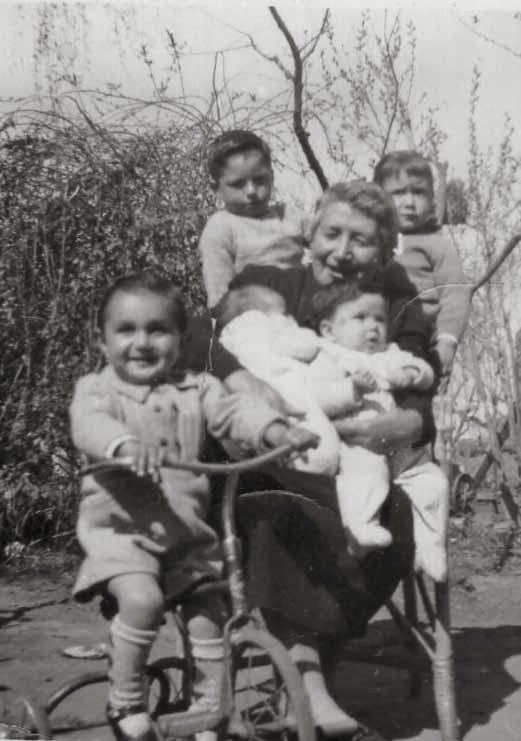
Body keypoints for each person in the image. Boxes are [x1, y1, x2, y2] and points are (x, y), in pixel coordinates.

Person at [185, 180, 438, 738]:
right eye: (332, 234)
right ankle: (308, 680)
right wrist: (245, 381)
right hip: (266, 451)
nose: (342, 251)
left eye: (361, 241)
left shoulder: (392, 305)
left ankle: (305, 672)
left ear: (384, 251)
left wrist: (411, 423)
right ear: (311, 231)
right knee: (283, 505)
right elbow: (203, 335)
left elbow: (418, 377)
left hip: (356, 453)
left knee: (383, 515)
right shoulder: (270, 280)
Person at [69, 270, 313, 741]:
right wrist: (123, 445)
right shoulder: (97, 390)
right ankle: (125, 701)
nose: (142, 342)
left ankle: (207, 708)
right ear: (102, 342)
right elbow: (90, 425)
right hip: (123, 538)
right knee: (142, 600)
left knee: (210, 616)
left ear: (181, 341)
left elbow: (235, 412)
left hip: (187, 540)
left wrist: (276, 430)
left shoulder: (198, 388)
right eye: (126, 330)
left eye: (158, 330)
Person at [216, 278, 448, 582]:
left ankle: (430, 548)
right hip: (359, 445)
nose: (373, 326)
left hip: (400, 448)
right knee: (365, 475)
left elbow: (424, 371)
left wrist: (414, 373)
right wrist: (352, 389)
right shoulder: (326, 358)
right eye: (360, 318)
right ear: (328, 330)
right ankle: (361, 527)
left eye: (379, 319)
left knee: (432, 482)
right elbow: (316, 398)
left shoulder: (389, 354)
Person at [373, 150, 472, 390]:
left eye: (418, 193)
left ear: (431, 198)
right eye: (398, 193)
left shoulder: (436, 245)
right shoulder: (371, 240)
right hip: (374, 335)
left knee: (413, 393)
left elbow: (455, 293)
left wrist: (446, 342)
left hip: (418, 338)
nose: (409, 203)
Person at [198, 129, 308, 310]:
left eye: (259, 180)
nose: (251, 191)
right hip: (256, 313)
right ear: (216, 188)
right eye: (237, 184)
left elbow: (328, 238)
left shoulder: (289, 215)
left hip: (303, 305)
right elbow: (219, 292)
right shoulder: (221, 227)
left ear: (271, 177)